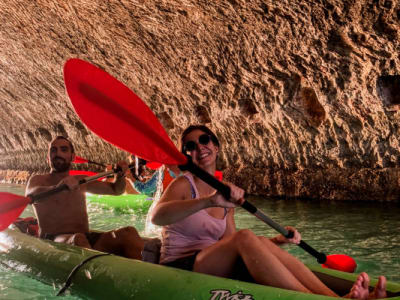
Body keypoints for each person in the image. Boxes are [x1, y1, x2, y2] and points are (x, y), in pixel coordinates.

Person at [151, 125, 387, 299]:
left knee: (255, 238)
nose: (199, 147)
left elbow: (230, 243)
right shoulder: (184, 184)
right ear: (186, 155)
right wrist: (209, 201)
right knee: (245, 237)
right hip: (180, 265)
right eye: (190, 146)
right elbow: (157, 216)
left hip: (210, 263)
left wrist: (278, 241)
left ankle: (335, 298)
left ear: (216, 146)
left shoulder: (226, 194)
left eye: (204, 140)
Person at [25, 136, 144, 260]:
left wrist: (120, 176)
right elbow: (32, 195)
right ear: (48, 158)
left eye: (64, 149)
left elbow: (116, 190)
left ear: (73, 157)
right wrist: (57, 187)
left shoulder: (81, 181)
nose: (58, 153)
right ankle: (97, 273)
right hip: (54, 240)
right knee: (78, 239)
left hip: (86, 237)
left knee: (128, 233)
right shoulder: (38, 180)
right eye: (53, 150)